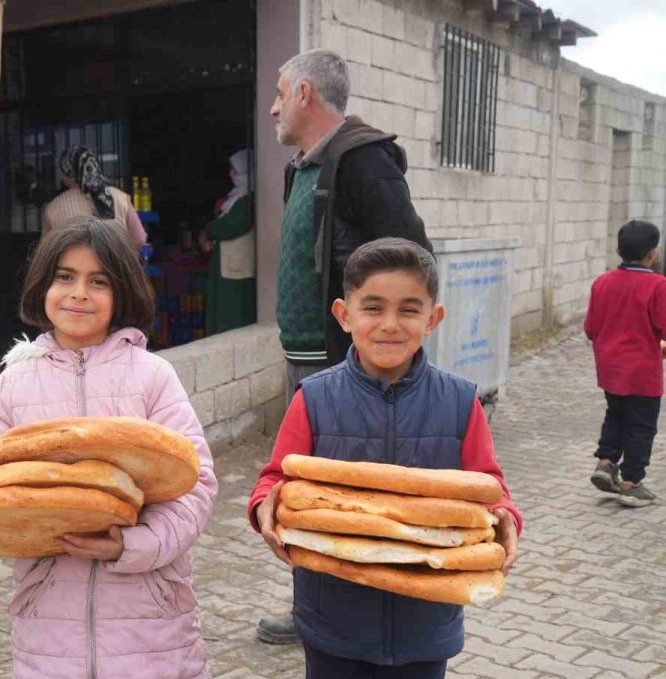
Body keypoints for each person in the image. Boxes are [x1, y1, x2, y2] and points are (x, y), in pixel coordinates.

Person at [0, 216, 217, 677]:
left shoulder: (151, 376)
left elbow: (195, 483)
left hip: (151, 629)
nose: (79, 292)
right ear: (43, 285)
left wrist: (132, 545)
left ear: (121, 292)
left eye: (98, 281)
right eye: (65, 277)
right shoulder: (17, 380)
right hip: (49, 631)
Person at [249, 238, 521, 678]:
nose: (390, 325)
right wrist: (265, 507)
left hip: (427, 620)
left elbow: (488, 485)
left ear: (433, 319)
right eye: (373, 308)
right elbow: (276, 478)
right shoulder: (314, 398)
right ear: (344, 315)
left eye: (409, 310)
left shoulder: (459, 401)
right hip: (333, 616)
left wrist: (506, 516)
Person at [260, 48, 432, 645]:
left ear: (306, 92)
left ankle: (371, 601)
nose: (274, 107)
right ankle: (316, 602)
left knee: (355, 486)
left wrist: (378, 341)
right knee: (308, 486)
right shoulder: (302, 167)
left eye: (280, 93)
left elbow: (411, 256)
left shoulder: (364, 160)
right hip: (305, 356)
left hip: (345, 360)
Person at [584, 220, 666, 508]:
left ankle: (606, 463)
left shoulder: (602, 282)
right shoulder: (658, 285)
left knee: (616, 415)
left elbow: (591, 328)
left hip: (610, 370)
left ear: (619, 250)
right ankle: (632, 483)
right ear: (653, 253)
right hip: (643, 373)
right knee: (641, 426)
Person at [43, 146, 146, 247]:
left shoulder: (53, 209)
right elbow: (140, 238)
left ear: (67, 172)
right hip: (115, 263)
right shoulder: (120, 198)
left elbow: (45, 251)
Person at [202, 148, 257, 335]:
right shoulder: (237, 197)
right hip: (228, 263)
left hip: (236, 267)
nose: (231, 174)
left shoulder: (247, 199)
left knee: (232, 313)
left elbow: (230, 226)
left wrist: (209, 230)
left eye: (235, 170)